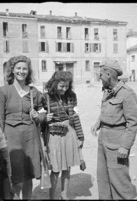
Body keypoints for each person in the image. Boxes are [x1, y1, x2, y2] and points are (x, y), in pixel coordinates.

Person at [0, 55, 46, 199]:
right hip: (11, 139)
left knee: (29, 175)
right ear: (12, 70)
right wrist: (1, 141)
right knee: (16, 176)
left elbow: (44, 112)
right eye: (18, 68)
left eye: (24, 69)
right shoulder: (3, 91)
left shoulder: (34, 92)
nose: (21, 71)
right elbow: (0, 119)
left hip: (31, 138)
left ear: (28, 72)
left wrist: (38, 116)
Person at [91, 60, 137, 199]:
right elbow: (107, 110)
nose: (99, 77)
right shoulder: (107, 91)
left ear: (108, 74)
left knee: (119, 181)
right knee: (103, 179)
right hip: (103, 138)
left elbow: (134, 122)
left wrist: (125, 146)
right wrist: (98, 122)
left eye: (100, 75)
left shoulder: (127, 93)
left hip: (117, 141)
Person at [43, 71, 85, 199]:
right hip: (54, 135)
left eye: (67, 86)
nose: (64, 89)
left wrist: (80, 135)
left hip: (69, 134)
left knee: (67, 168)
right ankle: (51, 197)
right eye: (61, 86)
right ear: (54, 84)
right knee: (55, 169)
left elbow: (75, 116)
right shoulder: (45, 97)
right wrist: (45, 117)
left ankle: (64, 195)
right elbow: (39, 119)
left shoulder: (72, 96)